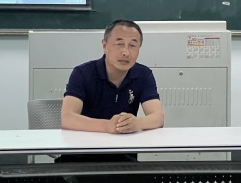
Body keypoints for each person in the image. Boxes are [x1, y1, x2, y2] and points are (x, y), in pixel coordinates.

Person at [59, 19, 164, 162]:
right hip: (80, 155)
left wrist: (136, 123)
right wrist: (107, 126)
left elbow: (158, 117)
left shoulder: (143, 75)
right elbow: (67, 118)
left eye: (132, 45)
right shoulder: (83, 73)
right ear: (105, 45)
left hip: (122, 156)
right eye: (119, 44)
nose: (126, 52)